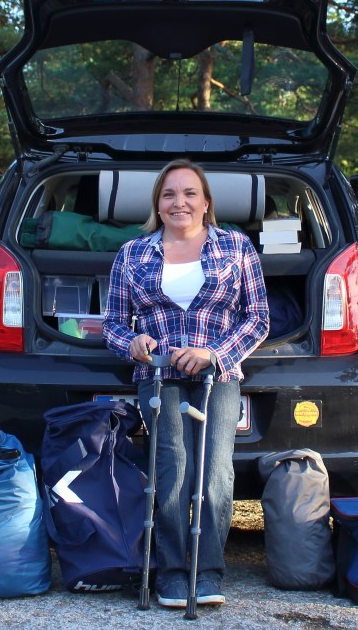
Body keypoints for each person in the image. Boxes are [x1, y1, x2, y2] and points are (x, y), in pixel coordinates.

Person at [102, 158, 269, 608]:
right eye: (170, 194)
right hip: (159, 375)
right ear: (158, 203)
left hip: (218, 374)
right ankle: (174, 573)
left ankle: (208, 571)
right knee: (172, 474)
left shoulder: (236, 247)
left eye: (189, 193)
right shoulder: (133, 253)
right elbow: (114, 323)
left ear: (206, 202)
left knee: (214, 474)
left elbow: (257, 320)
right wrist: (133, 343)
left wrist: (215, 353)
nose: (180, 202)